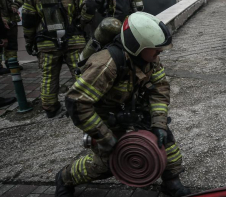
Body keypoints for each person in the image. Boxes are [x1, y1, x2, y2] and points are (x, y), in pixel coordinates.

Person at [55, 12, 191, 197]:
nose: (160, 53)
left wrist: (158, 124)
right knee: (109, 163)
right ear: (137, 46)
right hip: (104, 116)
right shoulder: (106, 64)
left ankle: (171, 182)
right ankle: (64, 178)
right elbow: (77, 103)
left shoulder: (149, 59)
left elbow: (159, 89)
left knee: (165, 140)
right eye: (155, 49)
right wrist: (106, 138)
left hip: (131, 107)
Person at [21, 0, 96, 118]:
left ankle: (51, 109)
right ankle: (84, 103)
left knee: (49, 76)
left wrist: (29, 42)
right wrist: (81, 23)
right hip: (74, 41)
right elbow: (90, 4)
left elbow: (27, 21)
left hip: (46, 43)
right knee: (80, 73)